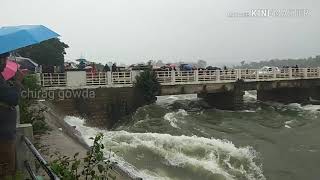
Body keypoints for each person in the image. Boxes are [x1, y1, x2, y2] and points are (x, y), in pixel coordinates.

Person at [0, 52, 23, 177]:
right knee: (6, 171)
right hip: (3, 137)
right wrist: (18, 81)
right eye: (3, 59)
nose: (5, 62)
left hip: (5, 134)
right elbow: (13, 99)